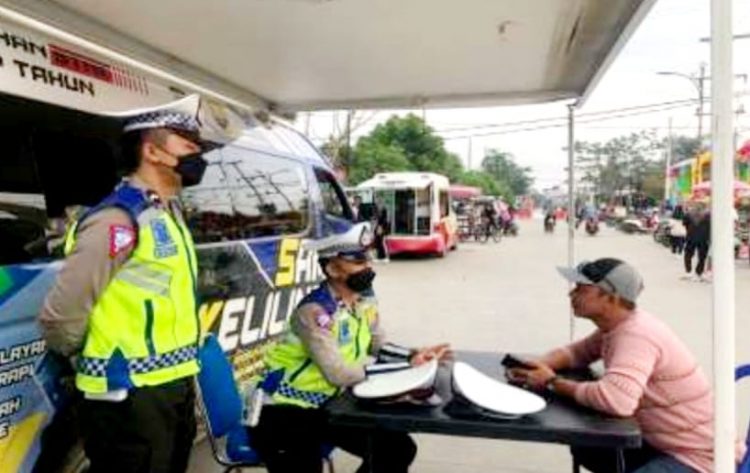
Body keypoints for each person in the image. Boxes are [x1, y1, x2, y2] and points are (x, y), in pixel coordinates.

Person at [38, 95, 210, 473]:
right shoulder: (119, 218)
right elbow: (60, 315)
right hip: (127, 394)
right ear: (152, 151)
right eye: (187, 145)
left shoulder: (164, 213)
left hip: (170, 384)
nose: (198, 154)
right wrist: (97, 360)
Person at [249, 222, 451, 473]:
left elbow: (378, 344)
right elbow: (338, 373)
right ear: (333, 269)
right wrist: (404, 366)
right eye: (357, 261)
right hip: (282, 412)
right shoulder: (314, 311)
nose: (368, 266)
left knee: (396, 449)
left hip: (329, 406)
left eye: (367, 259)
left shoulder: (363, 302)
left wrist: (414, 355)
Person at [507, 258, 743, 473]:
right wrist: (538, 365)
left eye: (582, 289)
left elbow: (617, 401)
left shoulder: (636, 336)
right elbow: (576, 353)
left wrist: (551, 381)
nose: (572, 294)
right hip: (663, 444)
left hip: (700, 459)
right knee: (586, 447)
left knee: (594, 445)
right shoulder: (616, 326)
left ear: (611, 297)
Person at [682, 203, 711, 281]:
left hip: (691, 237)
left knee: (688, 254)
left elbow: (684, 224)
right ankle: (698, 272)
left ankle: (688, 272)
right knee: (702, 256)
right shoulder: (708, 215)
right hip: (704, 239)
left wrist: (690, 229)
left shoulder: (689, 214)